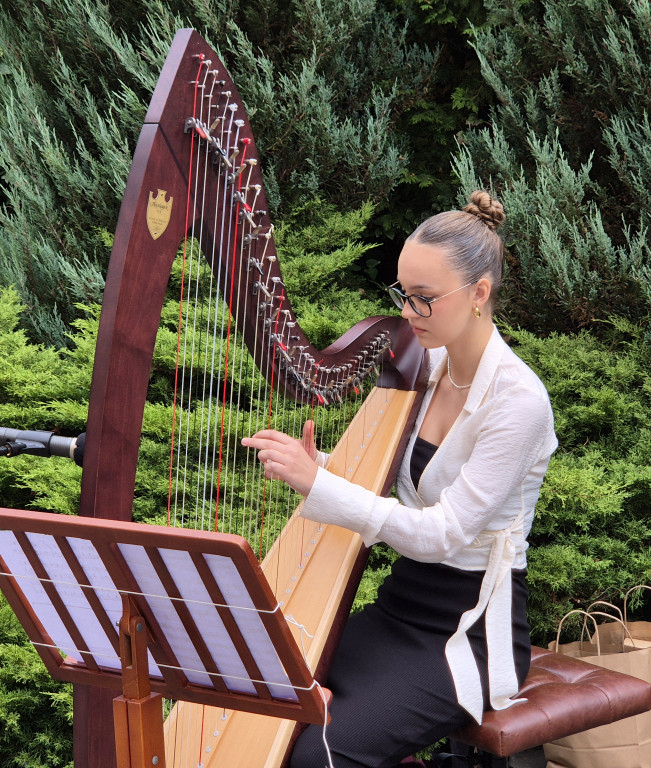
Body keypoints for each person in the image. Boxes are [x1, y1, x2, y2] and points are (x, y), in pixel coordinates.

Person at [241, 190, 558, 768]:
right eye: (402, 296)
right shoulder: (424, 368)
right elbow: (384, 485)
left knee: (316, 757)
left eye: (423, 299)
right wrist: (328, 472)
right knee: (262, 690)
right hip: (400, 608)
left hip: (468, 631)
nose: (407, 315)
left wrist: (322, 487)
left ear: (479, 293)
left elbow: (443, 535)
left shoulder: (518, 403)